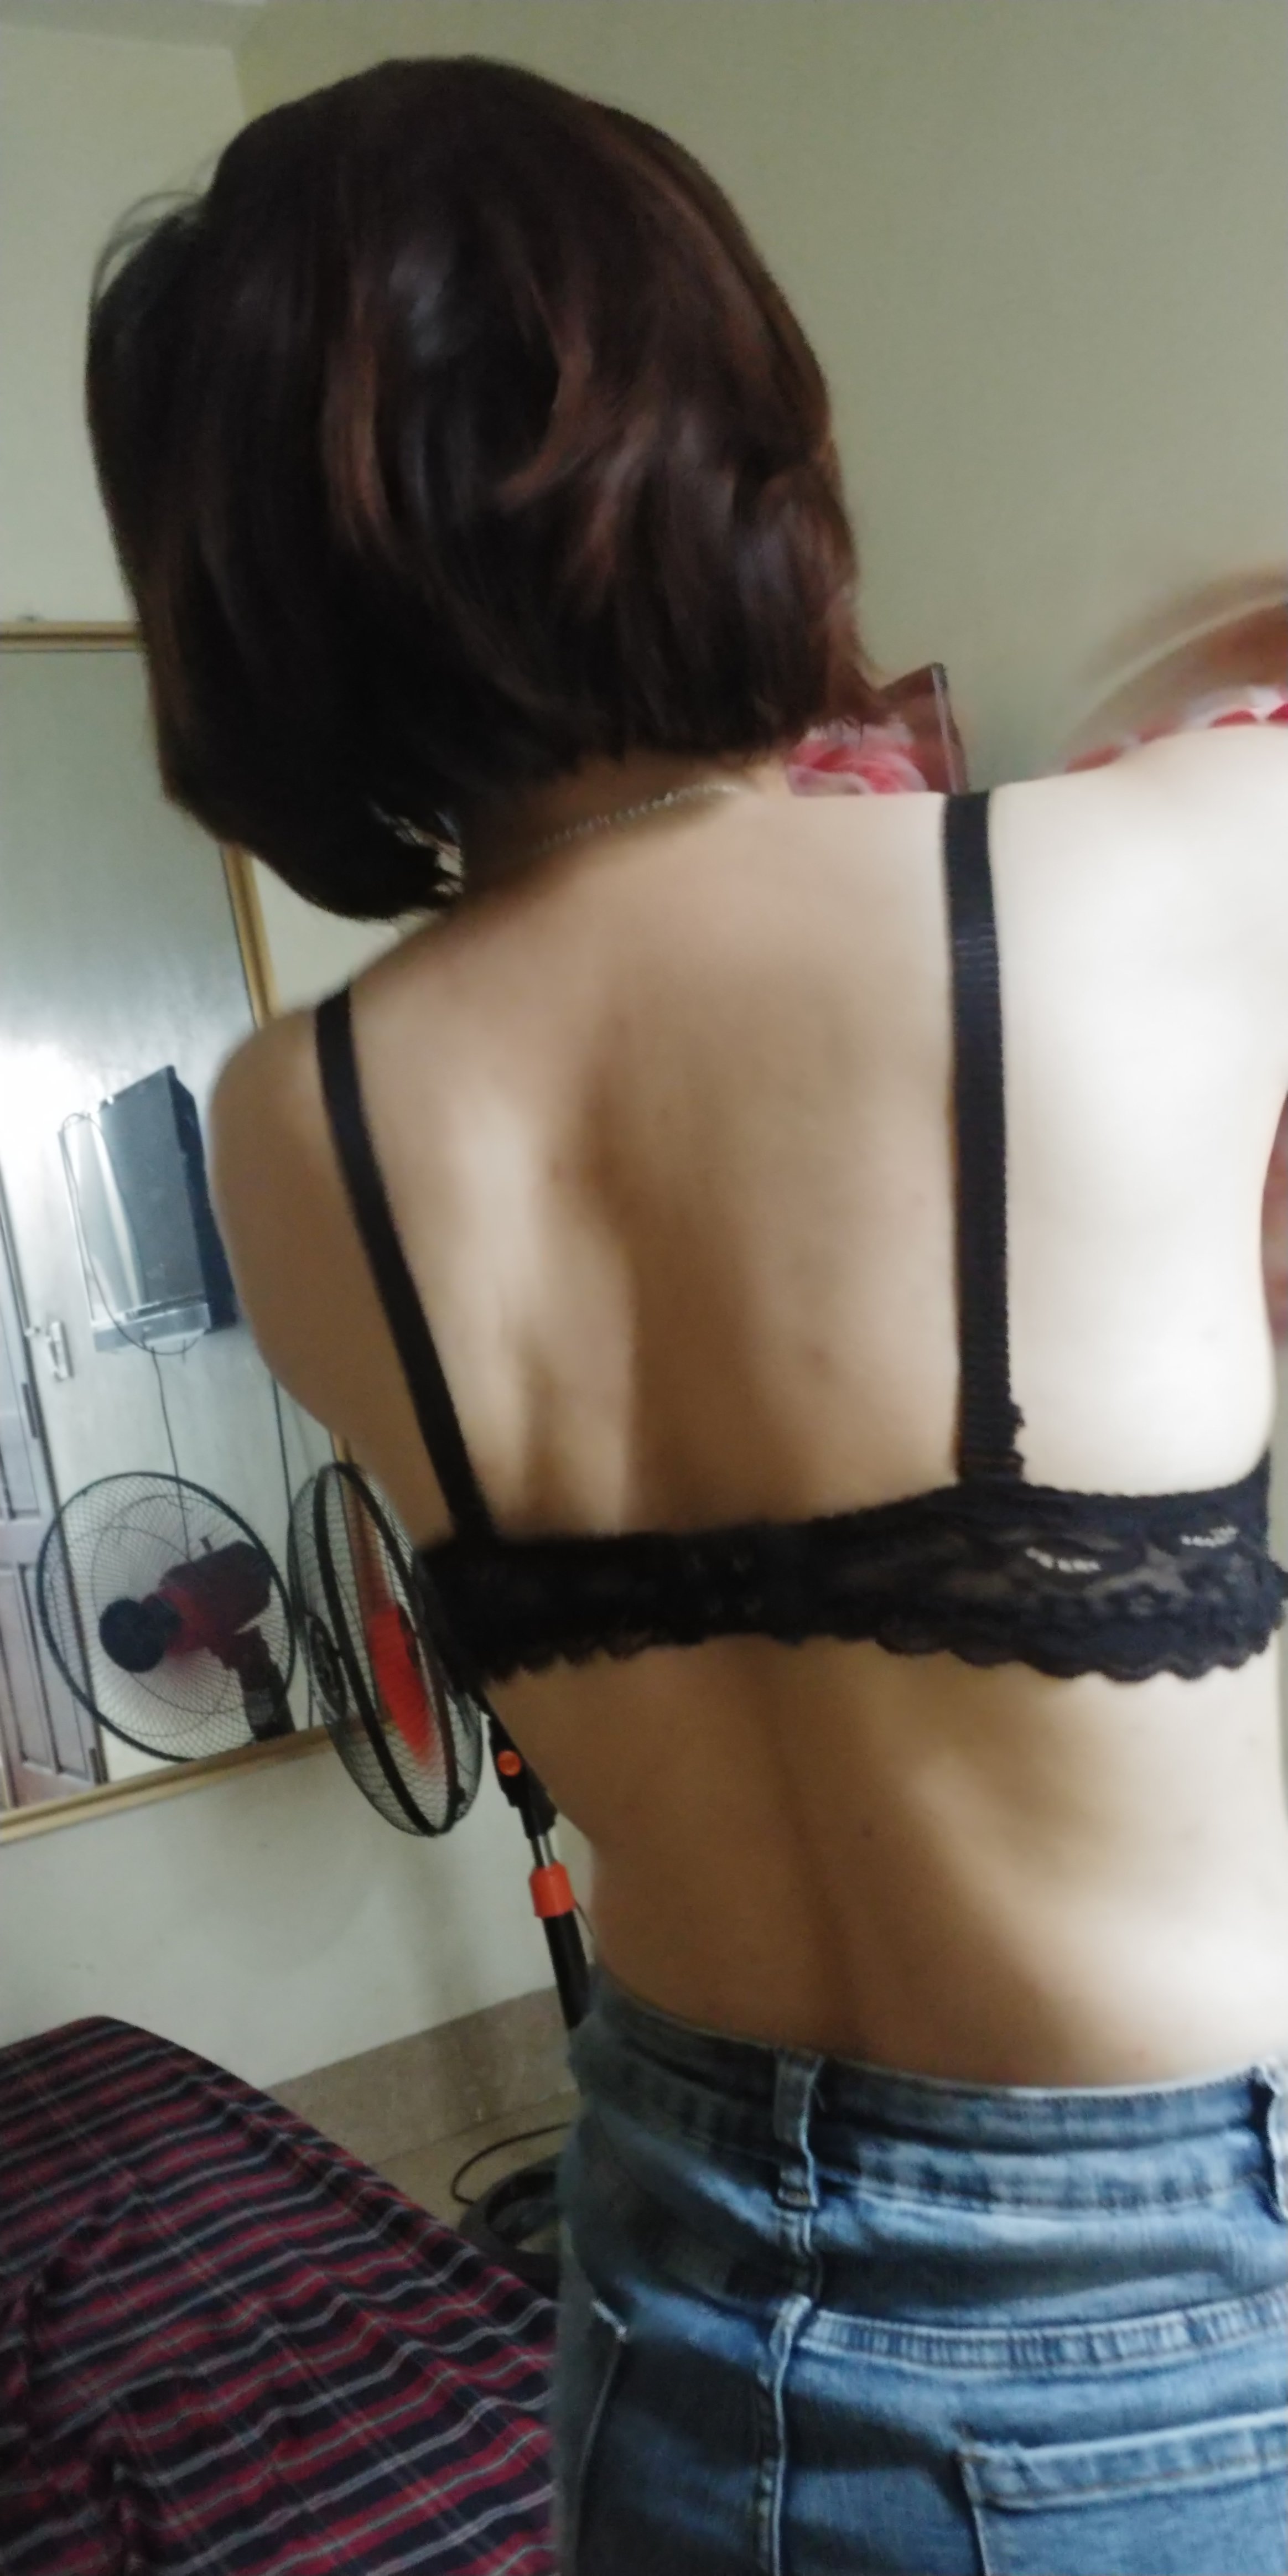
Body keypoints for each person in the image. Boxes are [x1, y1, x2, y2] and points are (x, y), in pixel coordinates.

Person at [85, 55, 1288, 2575]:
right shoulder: (1125, 893)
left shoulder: (294, 1125)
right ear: (727, 429)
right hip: (1139, 2350)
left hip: (660, 2312)